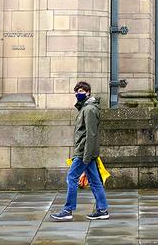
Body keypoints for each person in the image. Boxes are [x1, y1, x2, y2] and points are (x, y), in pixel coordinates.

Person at [49, 80, 109, 221]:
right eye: (77, 91)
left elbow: (91, 135)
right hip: (85, 152)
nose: (78, 94)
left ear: (88, 92)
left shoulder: (89, 109)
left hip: (84, 152)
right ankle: (102, 210)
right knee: (95, 181)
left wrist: (86, 157)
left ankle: (68, 210)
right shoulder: (85, 108)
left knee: (72, 177)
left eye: (81, 91)